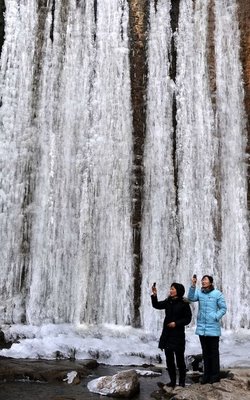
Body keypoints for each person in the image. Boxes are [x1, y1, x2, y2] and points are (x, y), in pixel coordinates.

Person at [188, 275, 227, 384]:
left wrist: (215, 316)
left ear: (210, 282)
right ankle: (206, 376)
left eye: (205, 280)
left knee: (214, 353)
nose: (203, 281)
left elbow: (223, 308)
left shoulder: (217, 294)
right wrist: (193, 285)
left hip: (213, 329)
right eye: (202, 280)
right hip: (202, 329)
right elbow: (191, 298)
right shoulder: (200, 293)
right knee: (205, 353)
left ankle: (215, 376)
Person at [151, 282, 192, 388]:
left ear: (178, 290)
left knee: (180, 361)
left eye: (173, 289)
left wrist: (176, 323)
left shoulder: (184, 303)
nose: (171, 290)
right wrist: (154, 295)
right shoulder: (168, 301)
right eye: (170, 288)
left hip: (178, 335)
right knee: (169, 360)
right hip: (167, 334)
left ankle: (182, 382)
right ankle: (172, 381)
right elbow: (156, 305)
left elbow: (188, 319)